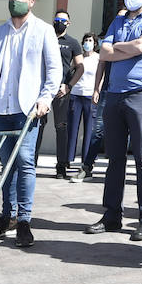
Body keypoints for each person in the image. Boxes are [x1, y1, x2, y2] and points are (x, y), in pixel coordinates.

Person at [0, 0, 62, 248]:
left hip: (28, 110)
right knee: (6, 164)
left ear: (31, 1)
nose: (15, 0)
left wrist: (45, 99)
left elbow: (54, 71)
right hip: (0, 108)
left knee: (24, 162)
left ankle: (24, 220)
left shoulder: (43, 30)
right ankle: (7, 215)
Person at [84, 0, 142, 242]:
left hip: (140, 94)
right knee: (114, 159)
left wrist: (115, 48)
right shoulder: (118, 21)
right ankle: (111, 216)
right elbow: (102, 53)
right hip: (114, 95)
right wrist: (122, 50)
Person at [44, 9, 83, 178]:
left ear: (69, 23)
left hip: (61, 90)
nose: (59, 22)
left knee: (61, 127)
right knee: (36, 127)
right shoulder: (45, 37)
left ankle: (61, 165)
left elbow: (80, 67)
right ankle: (30, 162)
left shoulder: (73, 43)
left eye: (63, 20)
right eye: (57, 19)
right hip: (43, 88)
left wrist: (68, 86)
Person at [66, 33, 101, 180]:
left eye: (90, 40)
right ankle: (68, 158)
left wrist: (96, 91)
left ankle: (86, 161)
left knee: (89, 130)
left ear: (95, 43)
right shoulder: (79, 57)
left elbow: (101, 75)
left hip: (89, 95)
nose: (87, 43)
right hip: (76, 94)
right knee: (72, 128)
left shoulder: (98, 58)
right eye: (85, 40)